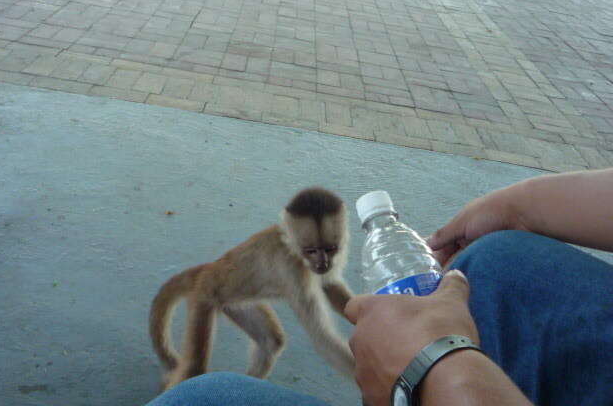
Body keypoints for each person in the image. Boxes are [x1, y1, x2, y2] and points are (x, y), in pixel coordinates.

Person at [145, 169, 613, 406]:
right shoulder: (287, 261)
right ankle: (179, 369)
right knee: (192, 375)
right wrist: (517, 206)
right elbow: (328, 326)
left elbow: (336, 309)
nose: (323, 260)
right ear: (290, 237)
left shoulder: (313, 255)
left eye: (330, 249)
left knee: (206, 395)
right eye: (311, 253)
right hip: (213, 292)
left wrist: (423, 368)